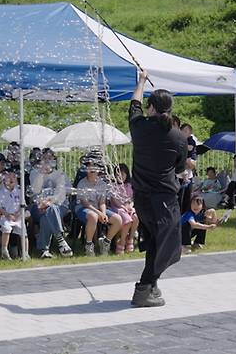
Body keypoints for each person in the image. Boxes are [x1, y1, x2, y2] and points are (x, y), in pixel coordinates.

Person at [128, 71, 187, 307]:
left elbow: (134, 105)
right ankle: (144, 288)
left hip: (141, 199)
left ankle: (150, 286)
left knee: (154, 243)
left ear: (151, 107)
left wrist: (141, 81)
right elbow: (180, 167)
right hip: (164, 199)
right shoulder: (177, 137)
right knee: (168, 245)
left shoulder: (139, 128)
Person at [29, 153, 73, 259]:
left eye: (50, 158)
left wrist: (50, 201)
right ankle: (60, 239)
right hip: (38, 206)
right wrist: (41, 174)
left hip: (59, 205)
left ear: (54, 160)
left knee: (48, 214)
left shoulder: (60, 174)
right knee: (47, 212)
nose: (47, 160)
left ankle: (43, 250)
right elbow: (35, 191)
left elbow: (62, 192)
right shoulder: (34, 173)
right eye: (44, 158)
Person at [75, 159, 122, 257]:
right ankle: (88, 245)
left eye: (95, 167)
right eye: (90, 167)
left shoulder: (102, 184)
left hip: (98, 209)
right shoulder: (82, 183)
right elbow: (85, 203)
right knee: (93, 216)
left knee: (118, 219)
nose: (92, 169)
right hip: (83, 208)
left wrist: (103, 213)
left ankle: (105, 242)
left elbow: (102, 202)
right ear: (86, 169)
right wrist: (99, 213)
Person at [0, 171, 28, 261]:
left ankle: (25, 253)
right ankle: (4, 250)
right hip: (6, 216)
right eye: (9, 177)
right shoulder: (0, 192)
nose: (11, 179)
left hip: (17, 216)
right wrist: (7, 214)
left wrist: (18, 214)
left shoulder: (19, 191)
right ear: (4, 180)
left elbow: (22, 205)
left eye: (14, 177)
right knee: (6, 228)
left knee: (23, 231)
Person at [109, 163, 139, 254]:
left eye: (122, 174)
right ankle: (121, 242)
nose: (120, 176)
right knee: (128, 220)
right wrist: (124, 207)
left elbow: (132, 199)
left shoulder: (129, 186)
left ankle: (130, 239)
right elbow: (114, 201)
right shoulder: (113, 186)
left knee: (136, 218)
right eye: (117, 174)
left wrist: (131, 206)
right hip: (117, 208)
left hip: (128, 207)